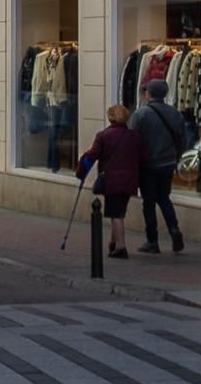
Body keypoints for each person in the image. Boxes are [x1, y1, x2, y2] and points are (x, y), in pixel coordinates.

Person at [129, 77, 189, 254]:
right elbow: (183, 139)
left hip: (148, 165)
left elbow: (132, 140)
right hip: (168, 163)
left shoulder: (141, 114)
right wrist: (176, 157)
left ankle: (152, 240)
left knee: (149, 202)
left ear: (150, 94)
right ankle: (174, 228)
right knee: (164, 198)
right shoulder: (175, 113)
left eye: (146, 90)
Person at [78, 104, 143, 258]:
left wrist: (81, 171)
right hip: (129, 181)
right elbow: (142, 157)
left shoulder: (103, 136)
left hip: (112, 181)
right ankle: (113, 242)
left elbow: (92, 155)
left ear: (111, 117)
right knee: (118, 211)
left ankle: (121, 247)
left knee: (116, 214)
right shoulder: (134, 136)